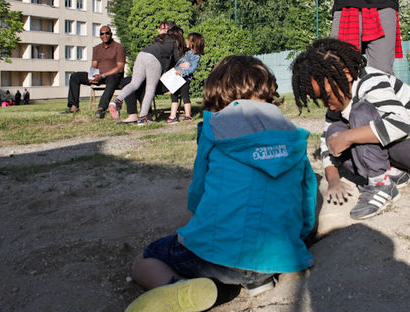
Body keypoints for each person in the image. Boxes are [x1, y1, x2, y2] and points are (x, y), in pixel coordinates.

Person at [126, 55, 316, 311]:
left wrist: (192, 233)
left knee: (146, 258)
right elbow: (307, 196)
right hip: (279, 257)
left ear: (218, 89)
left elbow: (198, 195)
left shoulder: (214, 128)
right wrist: (300, 236)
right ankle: (254, 283)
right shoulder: (292, 134)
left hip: (216, 255)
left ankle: (176, 286)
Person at [291, 38, 410, 220]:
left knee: (359, 112)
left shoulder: (371, 81)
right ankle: (394, 174)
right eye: (319, 99)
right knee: (334, 131)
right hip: (396, 151)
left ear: (345, 74)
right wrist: (333, 180)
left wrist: (347, 137)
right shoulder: (336, 105)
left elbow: (400, 125)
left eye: (327, 96)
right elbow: (326, 144)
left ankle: (381, 184)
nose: (326, 104)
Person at [109, 24, 184, 125]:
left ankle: (117, 100)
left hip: (142, 54)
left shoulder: (160, 39)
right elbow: (177, 60)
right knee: (150, 89)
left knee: (134, 83)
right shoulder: (174, 41)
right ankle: (143, 117)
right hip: (154, 59)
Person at [61, 25, 126, 118]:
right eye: (102, 33)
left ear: (111, 34)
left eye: (107, 33)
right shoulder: (97, 48)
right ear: (100, 35)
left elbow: (120, 68)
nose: (105, 35)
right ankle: (74, 107)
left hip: (113, 76)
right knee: (75, 76)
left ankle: (101, 109)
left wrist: (103, 75)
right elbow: (94, 65)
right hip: (99, 76)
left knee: (113, 78)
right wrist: (92, 76)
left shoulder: (119, 48)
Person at [166, 32, 205, 123]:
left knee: (185, 96)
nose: (186, 41)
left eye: (189, 40)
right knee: (174, 95)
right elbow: (178, 64)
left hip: (185, 78)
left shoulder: (195, 57)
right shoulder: (186, 53)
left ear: (194, 43)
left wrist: (182, 72)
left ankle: (188, 116)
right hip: (177, 77)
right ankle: (173, 116)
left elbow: (192, 69)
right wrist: (175, 69)